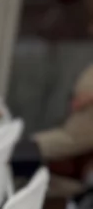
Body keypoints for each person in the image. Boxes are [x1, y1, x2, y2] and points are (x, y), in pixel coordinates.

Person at [33, 62, 93, 195]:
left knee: (28, 149)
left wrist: (88, 98)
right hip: (72, 130)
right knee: (25, 147)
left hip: (78, 138)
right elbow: (76, 102)